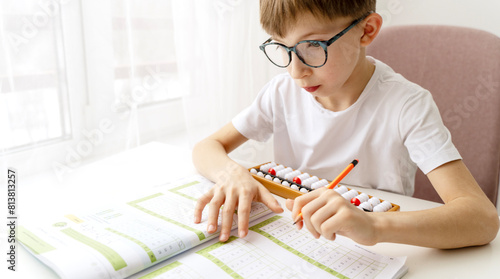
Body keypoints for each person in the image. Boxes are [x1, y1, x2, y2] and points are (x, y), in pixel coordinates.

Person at [192, 0, 499, 248]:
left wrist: (373, 225)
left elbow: (481, 219)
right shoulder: (281, 93)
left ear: (366, 30)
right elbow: (207, 148)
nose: (295, 71)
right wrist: (233, 174)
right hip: (296, 240)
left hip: (374, 248)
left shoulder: (407, 105)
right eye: (281, 48)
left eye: (312, 45)